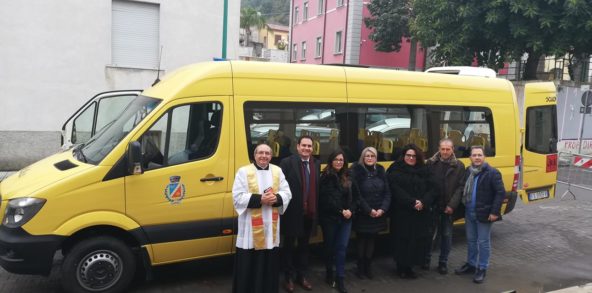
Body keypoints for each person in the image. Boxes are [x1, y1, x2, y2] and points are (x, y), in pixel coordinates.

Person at [232, 143, 292, 293]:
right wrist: (260, 199)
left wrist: (276, 198)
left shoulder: (277, 171)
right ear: (255, 155)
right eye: (261, 153)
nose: (264, 156)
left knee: (268, 263)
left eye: (267, 153)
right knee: (249, 263)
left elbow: (287, 193)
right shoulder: (243, 172)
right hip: (250, 229)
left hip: (270, 228)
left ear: (271, 156)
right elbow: (237, 197)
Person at [454, 145, 505, 284]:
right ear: (470, 157)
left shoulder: (492, 173)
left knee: (483, 242)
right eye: (474, 155)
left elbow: (500, 193)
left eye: (479, 155)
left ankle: (482, 268)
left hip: (484, 213)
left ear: (484, 157)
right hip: (469, 212)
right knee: (471, 240)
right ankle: (471, 265)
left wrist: (495, 212)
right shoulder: (468, 171)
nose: (477, 157)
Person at [387, 144, 436, 279]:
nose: (411, 158)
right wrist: (412, 202)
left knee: (416, 241)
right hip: (402, 212)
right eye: (408, 155)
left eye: (413, 156)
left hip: (420, 213)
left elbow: (433, 188)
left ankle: (410, 267)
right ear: (403, 156)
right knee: (401, 240)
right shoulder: (395, 169)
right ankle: (401, 267)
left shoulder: (425, 169)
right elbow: (395, 189)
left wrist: (423, 202)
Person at [280, 135, 320, 292]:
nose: (306, 148)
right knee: (289, 246)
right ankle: (288, 278)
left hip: (309, 213)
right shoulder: (287, 163)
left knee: (304, 246)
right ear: (297, 147)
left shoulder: (316, 164)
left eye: (309, 146)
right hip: (292, 213)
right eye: (303, 145)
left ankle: (301, 276)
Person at [319, 149, 358, 293]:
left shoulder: (349, 176)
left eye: (341, 160)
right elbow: (326, 200)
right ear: (331, 161)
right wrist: (341, 211)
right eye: (336, 159)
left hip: (346, 218)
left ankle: (340, 278)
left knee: (341, 248)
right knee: (329, 248)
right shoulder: (325, 176)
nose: (339, 162)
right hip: (330, 218)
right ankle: (329, 272)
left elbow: (356, 198)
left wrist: (351, 211)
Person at [425, 138, 466, 274]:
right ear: (439, 149)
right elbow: (426, 185)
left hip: (448, 207)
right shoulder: (430, 163)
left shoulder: (459, 166)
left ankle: (443, 262)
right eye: (443, 149)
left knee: (446, 235)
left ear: (453, 149)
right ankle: (426, 260)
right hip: (433, 206)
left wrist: (452, 205)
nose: (445, 152)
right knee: (429, 234)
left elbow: (460, 188)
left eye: (448, 149)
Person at [351, 146, 391, 280]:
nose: (369, 158)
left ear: (376, 158)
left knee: (372, 239)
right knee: (362, 239)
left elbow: (387, 192)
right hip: (363, 213)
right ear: (362, 158)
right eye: (367, 156)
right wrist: (369, 210)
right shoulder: (356, 171)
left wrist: (382, 209)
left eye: (372, 156)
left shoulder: (380, 170)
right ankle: (360, 268)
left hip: (378, 212)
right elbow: (357, 195)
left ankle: (368, 267)